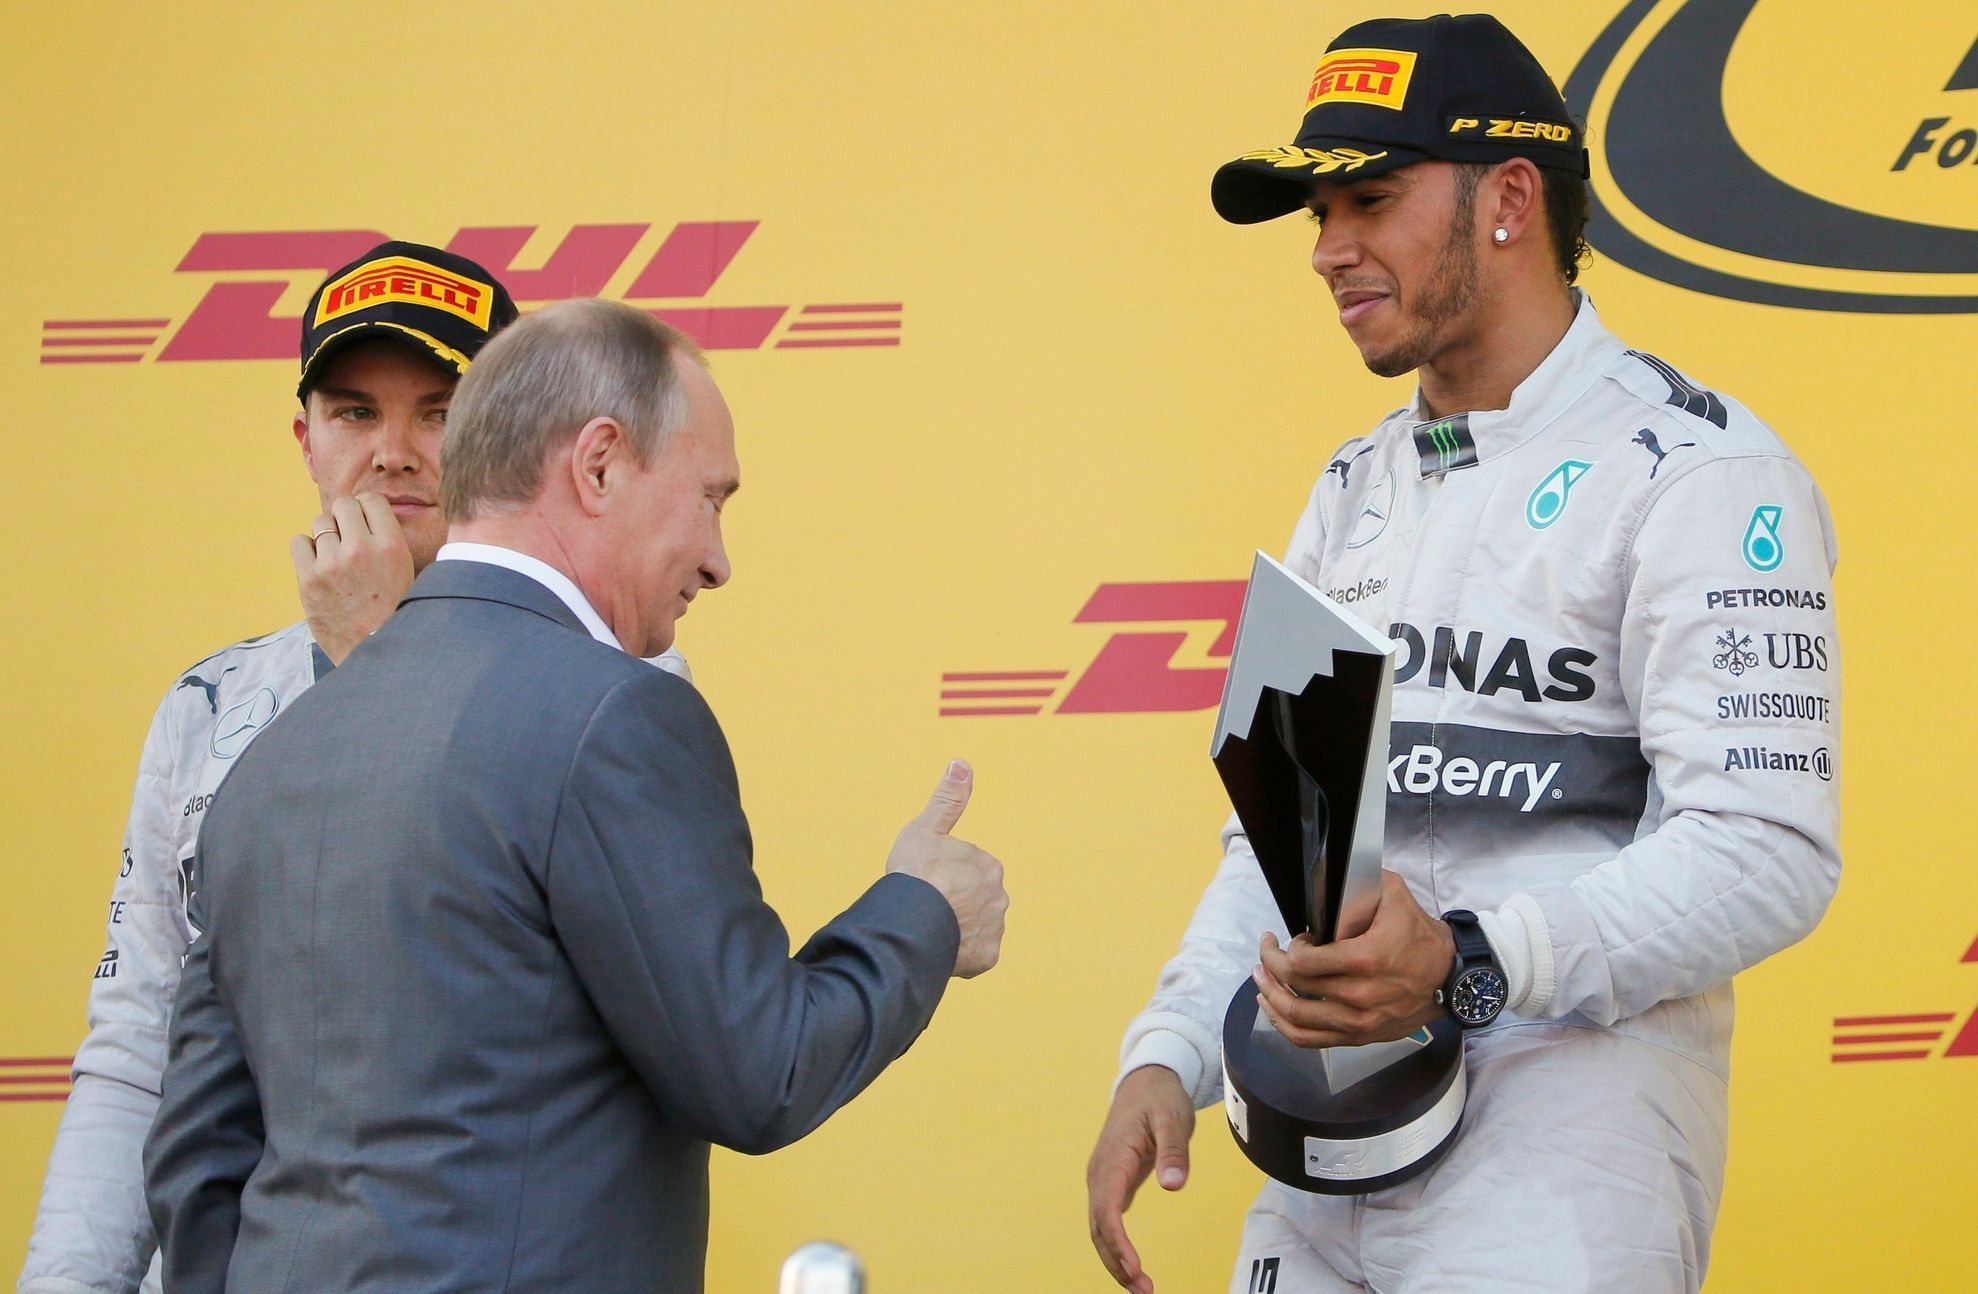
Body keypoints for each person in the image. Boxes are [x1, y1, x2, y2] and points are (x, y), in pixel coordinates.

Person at [1086, 15, 1840, 1293]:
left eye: (1370, 199)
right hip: (1323, 1139)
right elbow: (1283, 840)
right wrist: (1167, 1051)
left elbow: (1768, 850)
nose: (1327, 249)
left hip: (1566, 1146)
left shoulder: (1702, 473)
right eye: (1319, 212)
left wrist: (1471, 957)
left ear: (1509, 199)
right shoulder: (1350, 488)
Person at [142, 298, 1009, 1293]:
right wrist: (923, 912)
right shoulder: (615, 716)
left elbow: (195, 1157)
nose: (719, 560)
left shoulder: (270, 755)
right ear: (598, 466)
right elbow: (759, 1070)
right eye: (709, 499)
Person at [18, 240, 546, 1294]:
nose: (393, 452)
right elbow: (138, 1050)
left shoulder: (601, 686)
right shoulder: (209, 704)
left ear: (509, 441)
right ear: (305, 440)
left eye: (439, 412)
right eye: (355, 413)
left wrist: (377, 655)